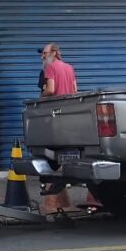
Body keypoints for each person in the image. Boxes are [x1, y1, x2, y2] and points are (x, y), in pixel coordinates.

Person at [39, 42, 80, 214]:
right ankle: (62, 201)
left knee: (50, 157)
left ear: (54, 53)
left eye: (45, 53)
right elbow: (75, 90)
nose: (43, 56)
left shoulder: (50, 68)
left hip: (55, 116)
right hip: (70, 116)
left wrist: (42, 96)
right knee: (65, 155)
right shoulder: (70, 68)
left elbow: (51, 89)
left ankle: (51, 204)